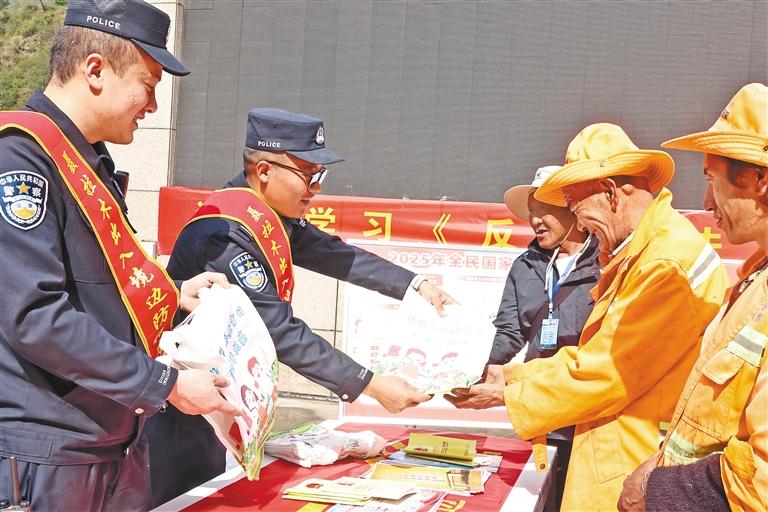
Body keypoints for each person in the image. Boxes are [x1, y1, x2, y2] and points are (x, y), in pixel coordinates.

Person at [146, 107, 454, 505]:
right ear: (264, 171)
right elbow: (279, 331)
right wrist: (371, 385)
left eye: (320, 176)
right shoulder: (226, 235)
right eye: (308, 175)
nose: (315, 189)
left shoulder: (265, 214)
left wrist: (416, 284)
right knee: (183, 500)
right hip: (183, 406)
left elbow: (333, 253)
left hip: (220, 395)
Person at [0, 1, 240, 510]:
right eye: (148, 85)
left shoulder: (88, 160)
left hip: (111, 438)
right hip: (47, 451)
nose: (152, 105)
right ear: (94, 70)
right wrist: (165, 385)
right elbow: (34, 316)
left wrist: (174, 293)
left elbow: (95, 285)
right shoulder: (19, 159)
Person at [446, 123, 730, 510]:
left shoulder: (665, 262)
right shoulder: (644, 252)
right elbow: (598, 354)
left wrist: (510, 393)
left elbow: (609, 371)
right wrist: (513, 377)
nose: (579, 225)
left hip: (632, 463)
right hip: (619, 448)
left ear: (610, 193)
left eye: (576, 209)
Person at [618, 83, 768, 512]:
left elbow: (761, 482)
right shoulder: (754, 280)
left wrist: (657, 489)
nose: (705, 202)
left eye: (711, 180)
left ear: (760, 180)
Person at [487, 164, 600, 508]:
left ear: (574, 210)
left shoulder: (606, 264)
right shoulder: (526, 265)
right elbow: (510, 328)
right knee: (540, 494)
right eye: (531, 211)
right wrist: (491, 369)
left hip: (588, 404)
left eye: (544, 209)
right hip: (538, 401)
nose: (535, 220)